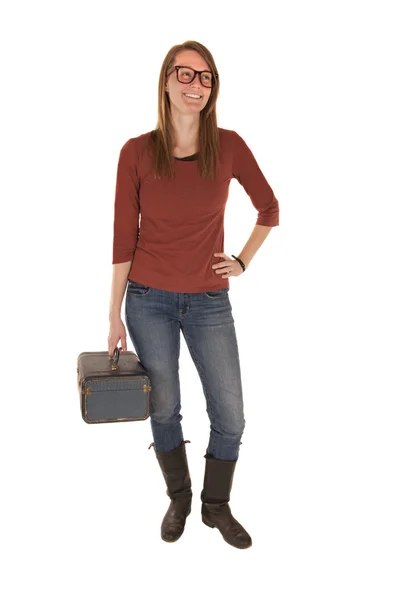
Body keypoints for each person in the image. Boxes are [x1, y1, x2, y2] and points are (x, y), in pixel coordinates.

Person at [108, 40, 279, 549]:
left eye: (205, 78)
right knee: (164, 410)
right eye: (185, 74)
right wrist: (114, 314)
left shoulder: (229, 146)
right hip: (147, 299)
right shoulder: (135, 152)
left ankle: (215, 506)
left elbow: (269, 208)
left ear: (212, 89)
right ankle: (179, 497)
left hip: (209, 301)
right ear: (165, 81)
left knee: (231, 414)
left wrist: (243, 259)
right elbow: (122, 238)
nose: (195, 85)